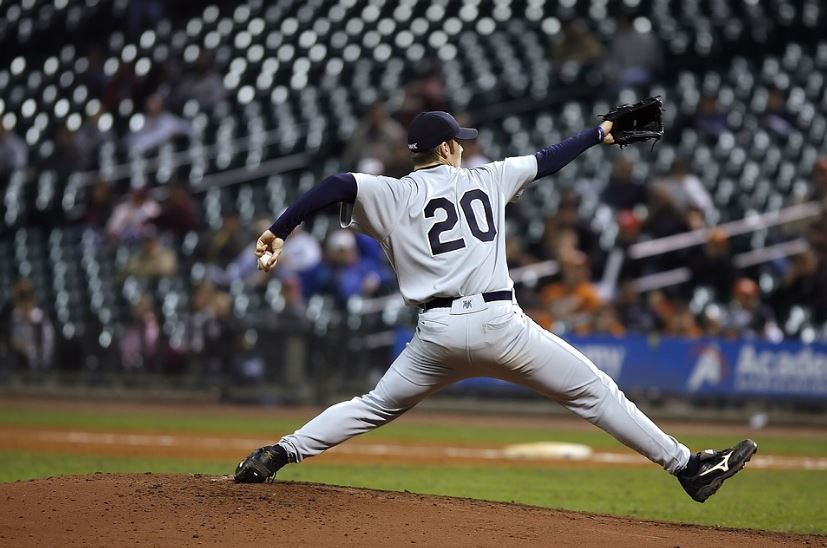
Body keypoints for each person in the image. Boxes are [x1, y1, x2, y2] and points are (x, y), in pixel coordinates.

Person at [234, 111, 757, 503]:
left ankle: (279, 453)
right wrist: (600, 133)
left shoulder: (391, 193)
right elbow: (549, 159)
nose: (464, 148)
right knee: (595, 393)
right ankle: (688, 467)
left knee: (373, 406)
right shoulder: (489, 178)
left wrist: (279, 229)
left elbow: (335, 185)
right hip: (498, 324)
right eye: (458, 142)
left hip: (435, 334)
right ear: (443, 149)